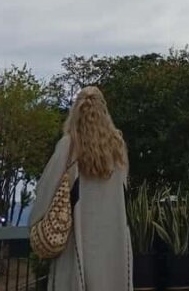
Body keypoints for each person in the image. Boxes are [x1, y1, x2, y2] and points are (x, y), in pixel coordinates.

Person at [29, 86, 132, 291]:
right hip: (114, 239)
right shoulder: (118, 148)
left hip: (76, 240)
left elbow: (45, 192)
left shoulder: (68, 146)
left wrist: (36, 222)